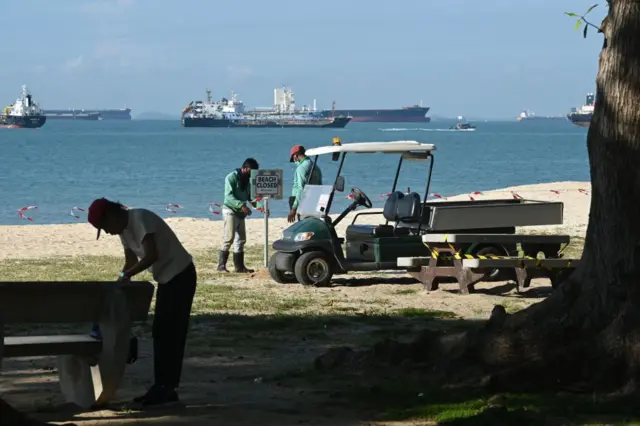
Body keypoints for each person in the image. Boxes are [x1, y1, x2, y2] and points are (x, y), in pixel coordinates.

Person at [87, 197, 197, 408]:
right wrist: (120, 279)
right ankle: (162, 386)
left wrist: (127, 275)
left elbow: (150, 256)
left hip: (181, 274)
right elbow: (131, 261)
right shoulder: (123, 232)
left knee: (172, 332)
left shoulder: (140, 218)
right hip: (166, 278)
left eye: (105, 226)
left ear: (111, 214)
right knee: (161, 331)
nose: (108, 232)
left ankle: (167, 388)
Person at [217, 158, 259, 273]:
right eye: (251, 171)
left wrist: (260, 206)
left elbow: (250, 197)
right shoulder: (231, 177)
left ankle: (239, 267)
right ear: (244, 168)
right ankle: (221, 266)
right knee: (228, 238)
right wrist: (242, 206)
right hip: (230, 211)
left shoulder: (248, 180)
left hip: (240, 213)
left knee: (241, 239)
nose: (252, 174)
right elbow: (228, 197)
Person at [288, 145, 322, 223]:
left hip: (303, 204)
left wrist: (294, 208)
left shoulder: (301, 168)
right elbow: (320, 184)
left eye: (294, 158)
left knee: (304, 224)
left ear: (295, 155)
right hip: (314, 201)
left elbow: (301, 188)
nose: (294, 161)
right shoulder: (315, 166)